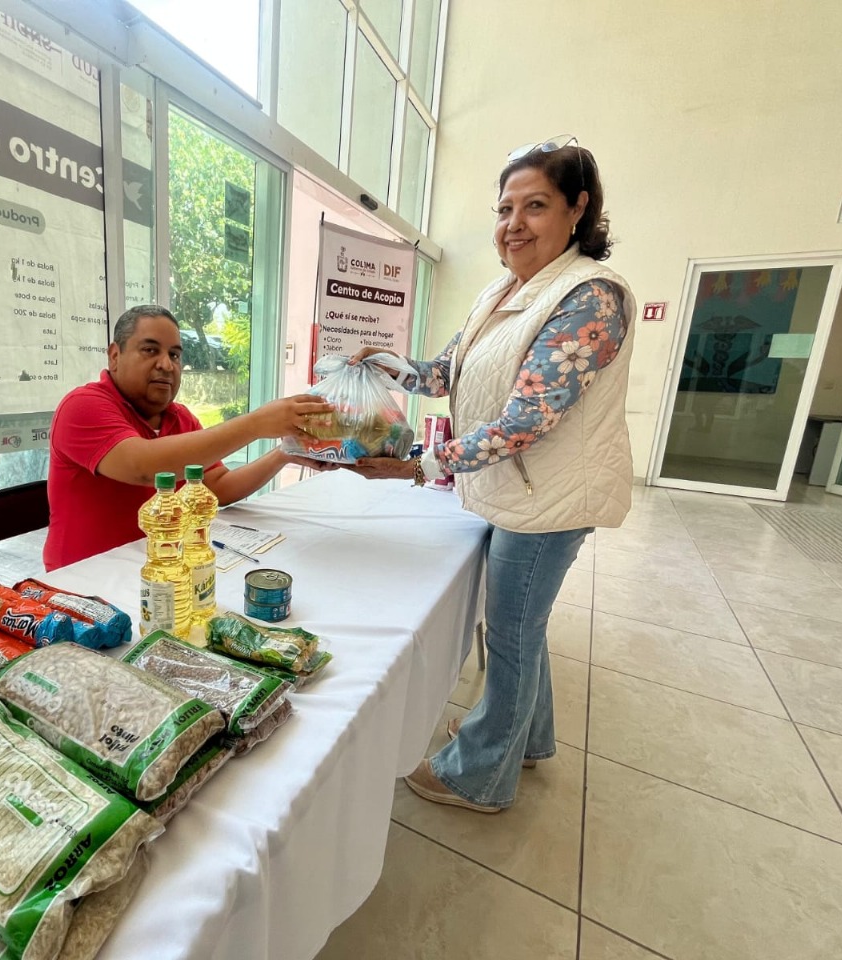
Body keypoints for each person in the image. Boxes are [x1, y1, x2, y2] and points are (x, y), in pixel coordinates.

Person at [349, 138, 636, 813]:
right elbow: (444, 375)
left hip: (550, 501)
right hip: (519, 490)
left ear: (577, 209)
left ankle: (479, 775)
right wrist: (392, 365)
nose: (514, 224)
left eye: (535, 206)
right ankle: (526, 738)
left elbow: (526, 421)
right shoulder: (503, 291)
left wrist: (420, 465)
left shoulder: (590, 297)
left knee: (510, 635)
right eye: (505, 208)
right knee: (519, 627)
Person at [44, 304, 334, 570]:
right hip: (84, 582)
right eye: (150, 350)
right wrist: (256, 423)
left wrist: (284, 453)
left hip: (161, 571)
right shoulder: (82, 406)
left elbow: (218, 487)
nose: (166, 365)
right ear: (115, 356)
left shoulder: (179, 418)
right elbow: (143, 467)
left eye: (174, 355)